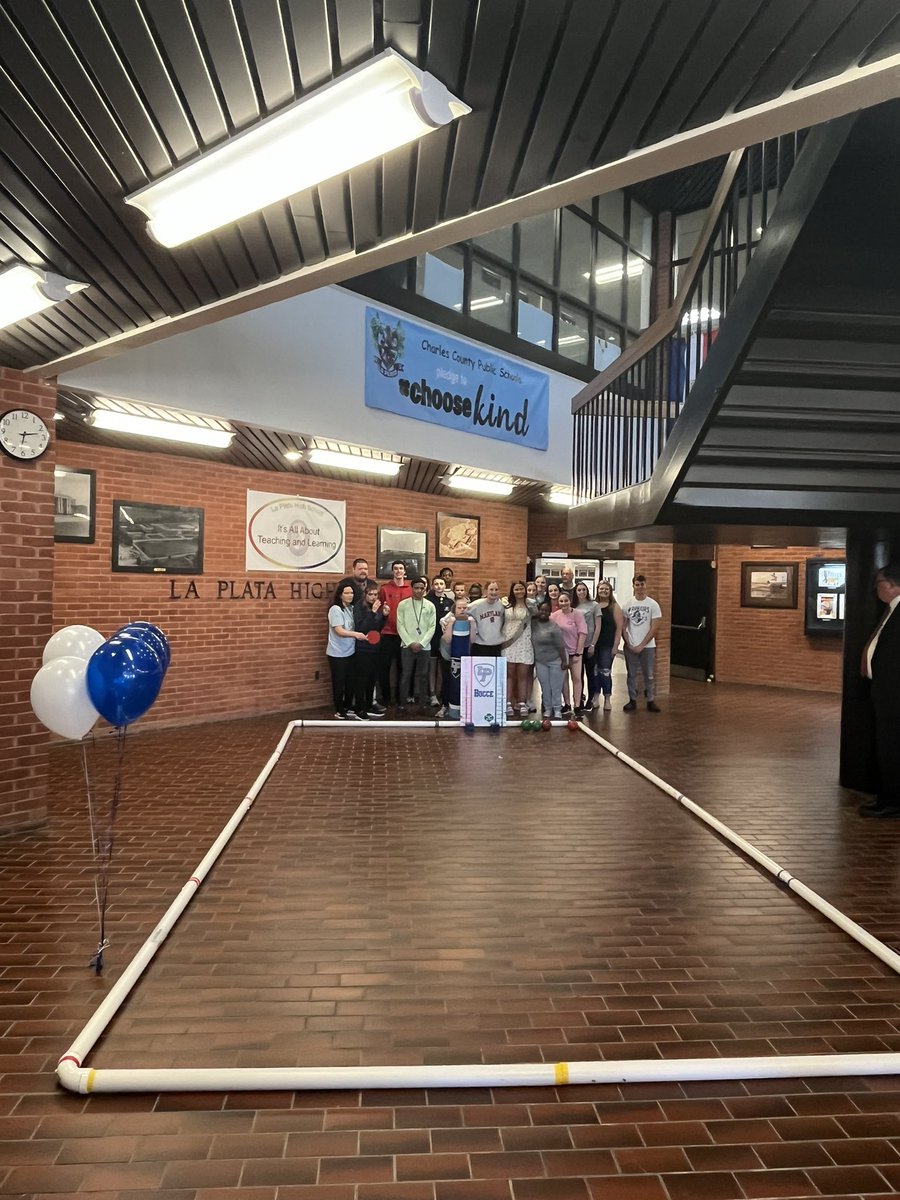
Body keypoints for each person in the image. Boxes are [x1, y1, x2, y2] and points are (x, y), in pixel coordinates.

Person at [859, 563, 900, 818]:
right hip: (885, 692)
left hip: (894, 695)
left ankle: (893, 801)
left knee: (892, 747)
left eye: (880, 584)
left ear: (894, 585)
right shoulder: (892, 611)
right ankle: (887, 796)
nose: (877, 590)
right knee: (886, 746)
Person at [622, 574, 662, 712]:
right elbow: (623, 626)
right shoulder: (628, 605)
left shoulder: (653, 605)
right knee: (631, 674)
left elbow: (655, 627)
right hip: (630, 646)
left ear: (646, 585)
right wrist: (629, 643)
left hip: (648, 646)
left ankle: (650, 700)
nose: (640, 587)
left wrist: (642, 644)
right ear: (633, 586)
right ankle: (632, 700)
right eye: (637, 585)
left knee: (649, 674)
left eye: (642, 584)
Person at [326, 583, 367, 719]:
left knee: (350, 681)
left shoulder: (350, 609)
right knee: (339, 682)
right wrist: (356, 634)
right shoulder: (335, 609)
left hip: (350, 652)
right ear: (340, 594)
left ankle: (348, 705)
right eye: (347, 593)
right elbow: (339, 631)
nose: (350, 596)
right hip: (337, 653)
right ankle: (339, 709)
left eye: (352, 593)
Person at [397, 577, 436, 712]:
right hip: (407, 646)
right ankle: (402, 704)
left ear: (425, 589)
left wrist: (422, 643)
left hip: (425, 647)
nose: (419, 590)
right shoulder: (403, 604)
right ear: (412, 588)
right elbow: (400, 625)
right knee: (405, 675)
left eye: (422, 588)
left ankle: (422, 704)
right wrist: (410, 642)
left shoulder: (430, 605)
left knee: (423, 675)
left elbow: (432, 627)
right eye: (416, 588)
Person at [377, 560, 412, 705]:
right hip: (387, 633)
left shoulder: (410, 589)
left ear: (405, 571)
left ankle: (401, 698)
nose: (398, 571)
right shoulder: (384, 589)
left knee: (403, 668)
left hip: (405, 635)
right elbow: (379, 610)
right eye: (396, 569)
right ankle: (386, 698)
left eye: (401, 568)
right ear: (392, 571)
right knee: (384, 667)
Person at [353, 584, 388, 717]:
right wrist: (372, 613)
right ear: (365, 595)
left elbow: (377, 627)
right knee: (362, 679)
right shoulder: (359, 607)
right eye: (370, 594)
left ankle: (369, 705)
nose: (373, 597)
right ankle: (359, 708)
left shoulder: (376, 607)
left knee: (372, 679)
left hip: (374, 647)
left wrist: (384, 616)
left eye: (375, 595)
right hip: (362, 648)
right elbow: (361, 627)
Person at [589, 580, 624, 712]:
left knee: (605, 672)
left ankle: (608, 698)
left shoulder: (614, 606)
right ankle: (596, 696)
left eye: (606, 589)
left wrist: (616, 646)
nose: (603, 591)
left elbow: (619, 628)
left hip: (607, 645)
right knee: (595, 672)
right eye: (601, 589)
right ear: (597, 590)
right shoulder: (593, 605)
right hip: (594, 644)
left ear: (610, 591)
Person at [551, 590, 588, 715]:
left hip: (575, 652)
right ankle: (566, 704)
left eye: (566, 600)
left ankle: (577, 705)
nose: (564, 603)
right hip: (561, 653)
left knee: (577, 678)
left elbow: (582, 633)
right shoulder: (554, 616)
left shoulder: (578, 614)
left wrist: (578, 652)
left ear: (570, 601)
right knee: (563, 679)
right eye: (561, 601)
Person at [440, 597, 477, 720]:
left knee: (464, 682)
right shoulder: (448, 619)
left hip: (465, 656)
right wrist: (451, 623)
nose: (462, 610)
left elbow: (472, 640)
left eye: (464, 608)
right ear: (454, 609)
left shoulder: (470, 620)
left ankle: (464, 709)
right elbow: (447, 639)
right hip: (449, 655)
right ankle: (447, 707)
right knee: (449, 681)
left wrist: (472, 624)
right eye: (459, 608)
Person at [531, 600, 567, 719]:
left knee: (555, 686)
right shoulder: (533, 623)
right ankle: (547, 708)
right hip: (540, 661)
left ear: (550, 612)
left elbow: (560, 645)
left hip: (556, 659)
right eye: (542, 610)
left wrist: (564, 661)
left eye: (546, 610)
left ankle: (557, 708)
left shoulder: (553, 626)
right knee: (545, 686)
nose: (543, 612)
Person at [502, 581, 534, 718]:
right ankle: (507, 702)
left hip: (524, 643)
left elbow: (539, 615)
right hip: (508, 643)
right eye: (516, 589)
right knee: (509, 675)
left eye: (521, 588)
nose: (519, 591)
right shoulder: (505, 603)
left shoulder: (531, 603)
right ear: (512, 590)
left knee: (523, 676)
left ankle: (522, 703)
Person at [574, 580, 602, 710]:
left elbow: (598, 626)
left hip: (589, 645)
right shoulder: (573, 606)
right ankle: (579, 699)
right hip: (577, 646)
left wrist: (593, 644)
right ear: (576, 592)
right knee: (578, 675)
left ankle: (590, 700)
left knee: (591, 674)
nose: (581, 592)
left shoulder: (594, 605)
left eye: (584, 589)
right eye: (579, 590)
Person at [426, 575, 454, 705]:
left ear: (445, 586)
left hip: (445, 639)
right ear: (432, 586)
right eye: (436, 584)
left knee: (444, 668)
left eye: (441, 584)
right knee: (431, 668)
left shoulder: (450, 602)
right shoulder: (427, 600)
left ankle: (442, 694)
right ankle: (431, 694)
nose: (439, 586)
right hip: (431, 638)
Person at [469, 580, 505, 657]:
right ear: (485, 591)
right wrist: (444, 619)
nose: (494, 592)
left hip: (496, 645)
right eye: (491, 589)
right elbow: (459, 609)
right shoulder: (477, 604)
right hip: (480, 645)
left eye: (496, 589)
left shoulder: (502, 605)